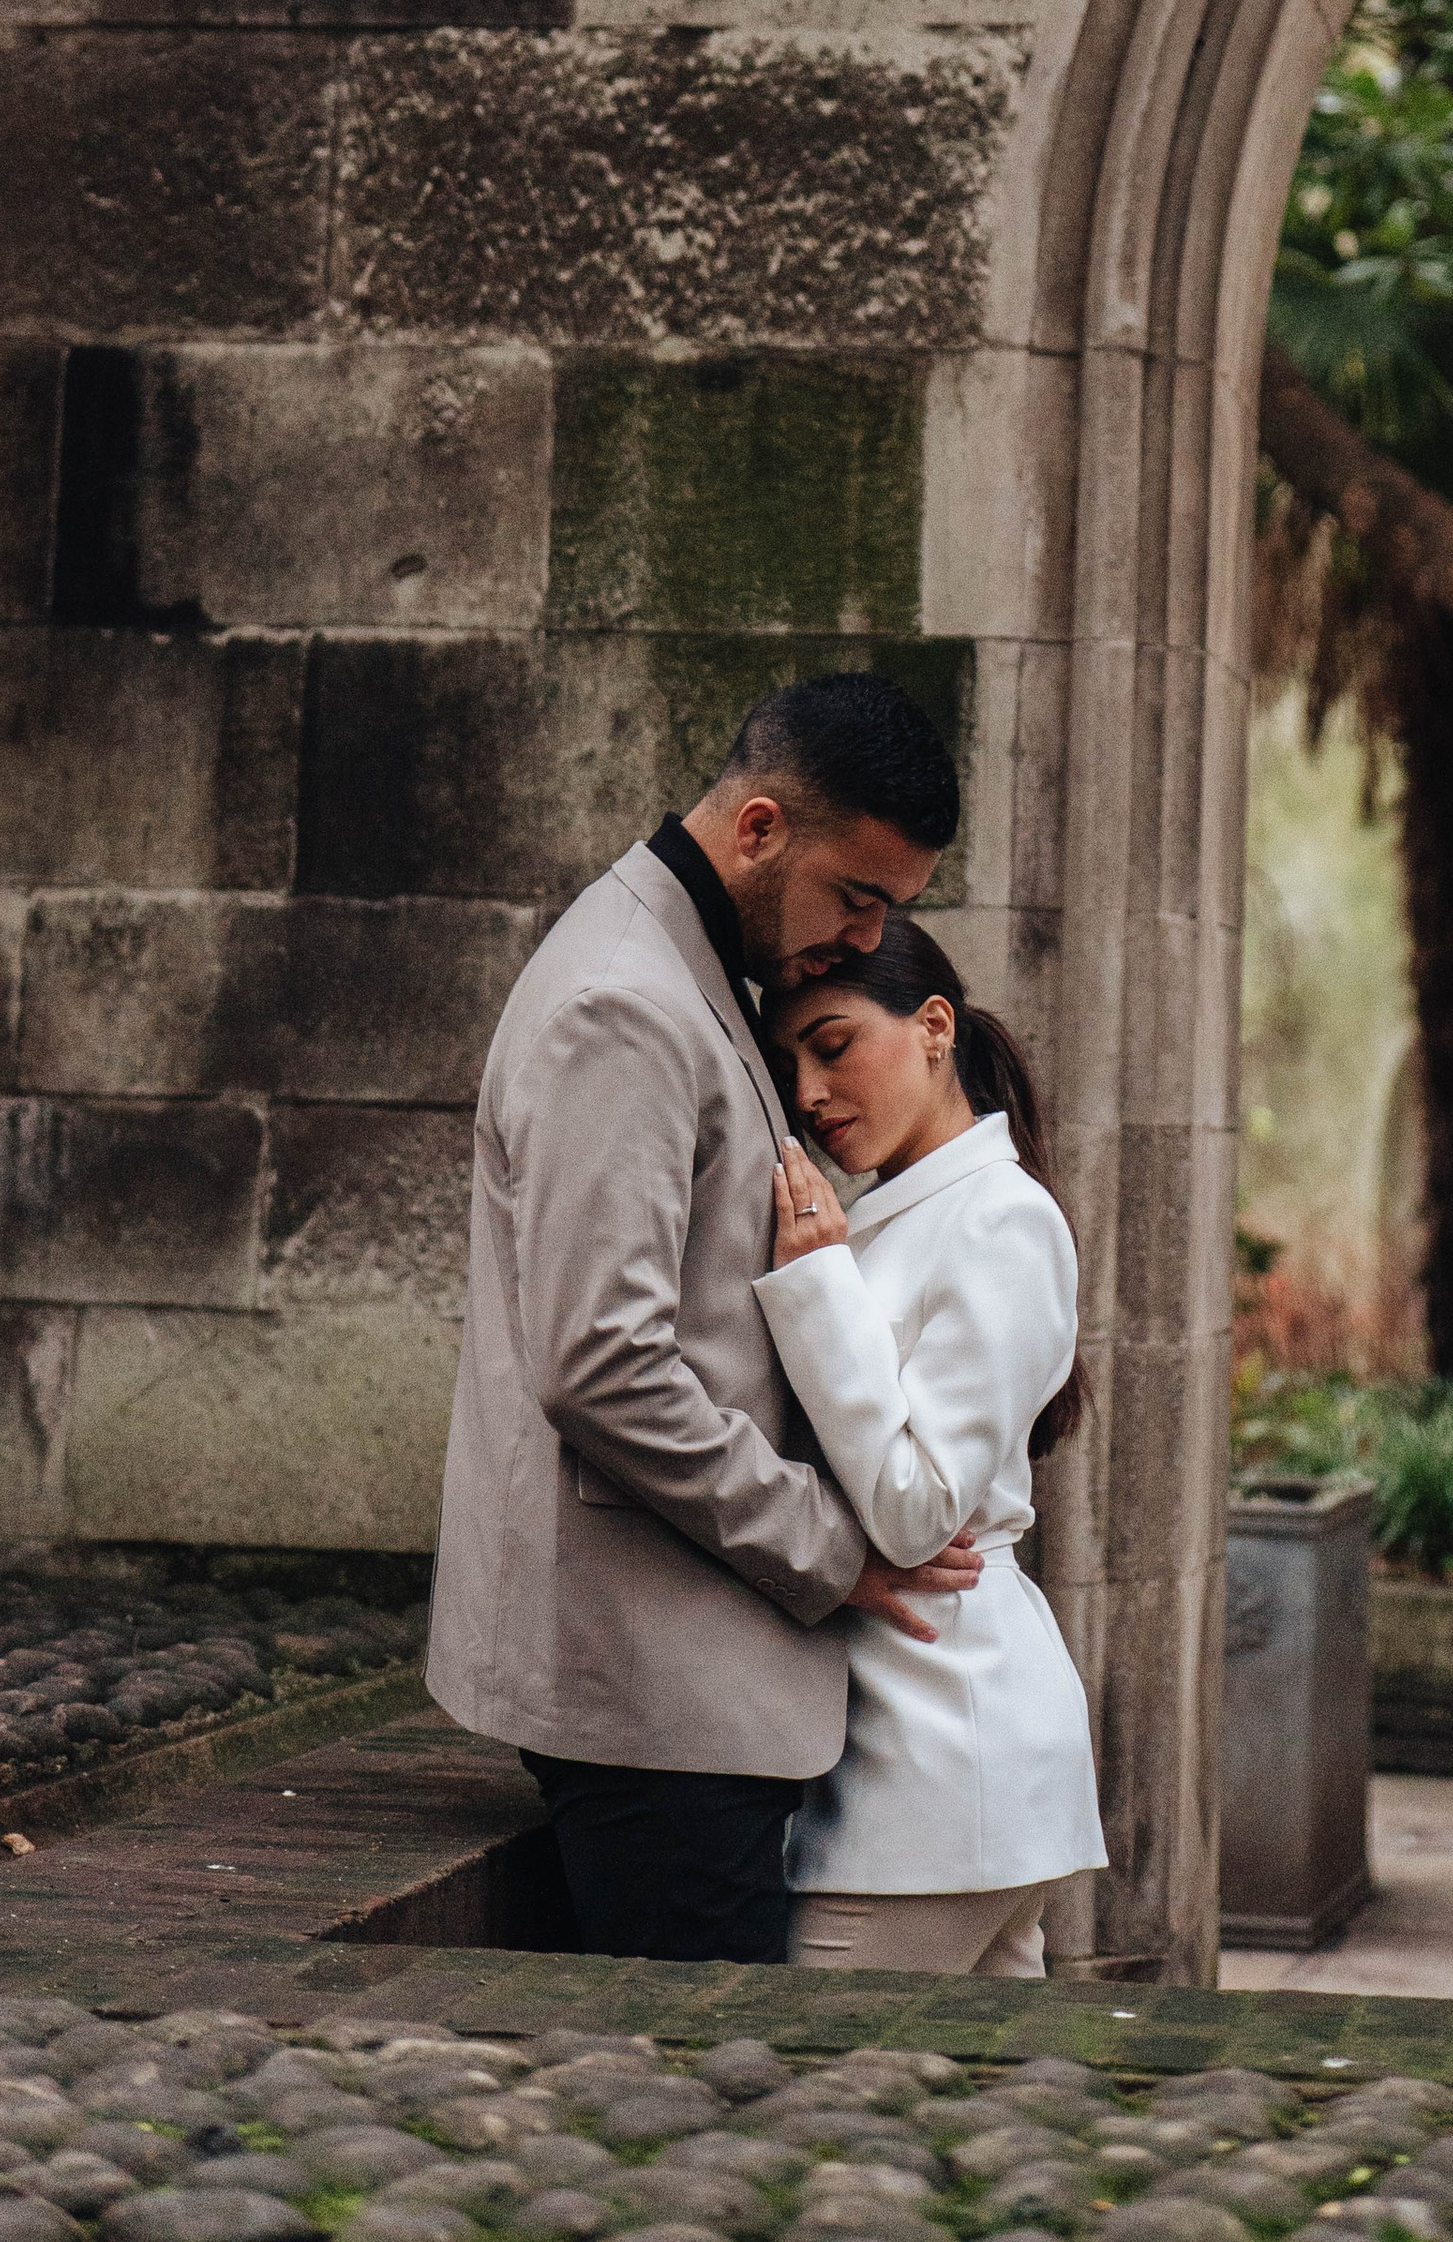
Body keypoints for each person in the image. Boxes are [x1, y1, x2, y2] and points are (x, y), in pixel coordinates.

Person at [425, 671, 983, 1967]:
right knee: (696, 2120)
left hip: (692, 1689)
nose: (867, 938)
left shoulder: (697, 965)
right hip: (651, 1707)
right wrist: (832, 1548)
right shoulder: (621, 1003)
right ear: (759, 830)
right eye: (860, 897)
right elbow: (604, 1364)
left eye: (894, 909)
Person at [755, 914, 1110, 1977]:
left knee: (819, 2101)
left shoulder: (1000, 1218)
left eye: (833, 1044)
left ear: (933, 1028)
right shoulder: (906, 1217)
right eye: (791, 1069)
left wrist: (815, 1288)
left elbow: (917, 1509)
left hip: (937, 1757)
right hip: (937, 1759)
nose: (812, 1096)